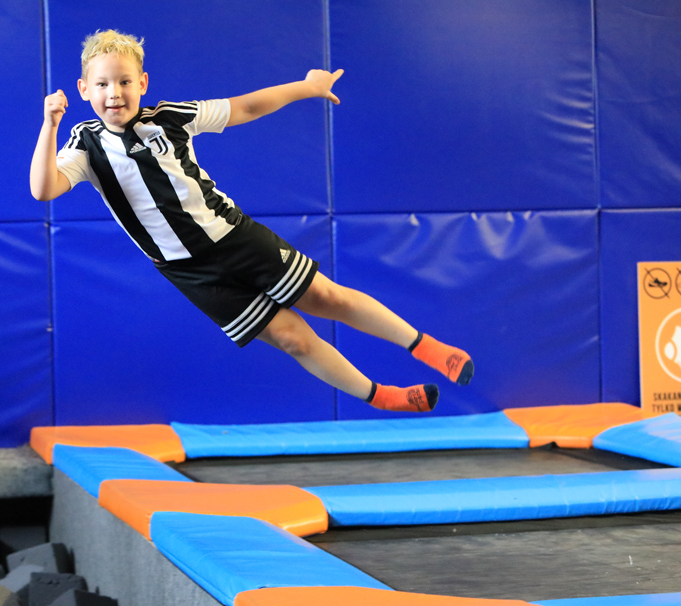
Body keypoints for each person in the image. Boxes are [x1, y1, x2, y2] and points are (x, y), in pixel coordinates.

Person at [30, 29, 473, 412]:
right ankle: (381, 396)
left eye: (125, 81)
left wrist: (307, 87)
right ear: (84, 90)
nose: (114, 93)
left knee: (326, 296)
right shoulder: (84, 145)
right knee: (294, 339)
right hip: (191, 272)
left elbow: (246, 108)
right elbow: (43, 189)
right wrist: (50, 126)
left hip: (233, 237)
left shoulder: (170, 119)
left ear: (142, 83)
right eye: (102, 84)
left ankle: (427, 347)